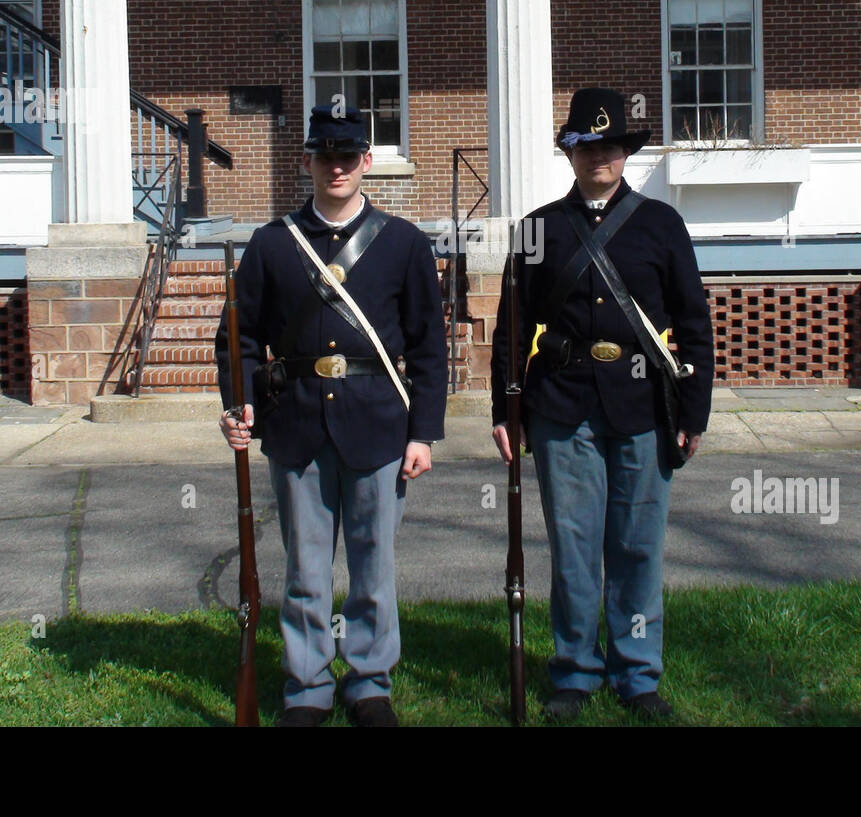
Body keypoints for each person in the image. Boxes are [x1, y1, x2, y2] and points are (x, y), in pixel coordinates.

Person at [217, 104, 446, 728]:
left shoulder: (402, 243)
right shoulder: (271, 245)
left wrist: (423, 431)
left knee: (374, 565)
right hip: (295, 427)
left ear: (366, 161)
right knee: (306, 569)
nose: (337, 167)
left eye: (349, 156)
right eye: (326, 156)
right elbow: (236, 338)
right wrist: (237, 403)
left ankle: (370, 682)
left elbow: (428, 345)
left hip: (378, 425)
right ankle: (308, 685)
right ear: (307, 162)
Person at [490, 87, 715, 721]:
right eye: (588, 146)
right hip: (561, 407)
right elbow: (513, 326)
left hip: (645, 406)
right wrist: (505, 411)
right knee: (575, 542)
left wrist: (693, 414)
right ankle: (574, 668)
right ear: (570, 151)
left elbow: (694, 324)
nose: (600, 157)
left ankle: (637, 672)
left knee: (639, 544)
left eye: (610, 145)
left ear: (625, 152)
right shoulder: (538, 229)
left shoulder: (662, 225)